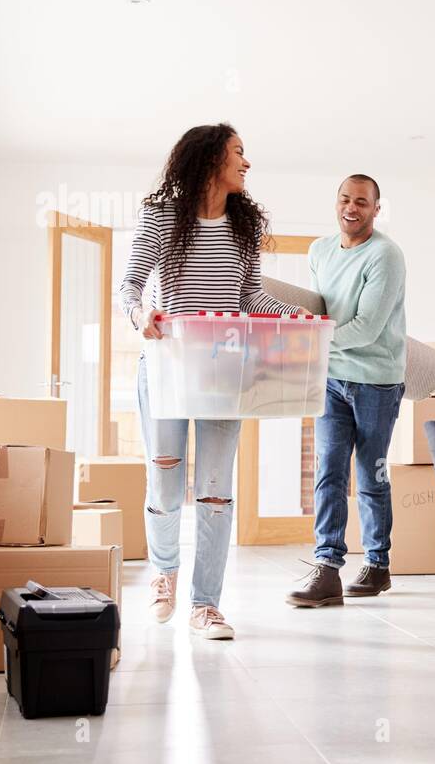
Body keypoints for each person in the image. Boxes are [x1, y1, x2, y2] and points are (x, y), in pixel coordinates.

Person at [119, 122, 305, 640]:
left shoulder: (242, 228)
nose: (246, 163)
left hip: (224, 370)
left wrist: (292, 316)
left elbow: (249, 300)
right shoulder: (161, 217)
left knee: (216, 492)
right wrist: (142, 317)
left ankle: (206, 604)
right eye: (238, 153)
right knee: (165, 478)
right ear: (209, 159)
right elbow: (130, 286)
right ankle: (165, 574)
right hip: (168, 367)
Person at [287, 174, 407, 607]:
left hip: (377, 380)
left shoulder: (386, 256)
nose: (351, 208)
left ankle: (377, 565)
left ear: (376, 208)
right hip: (330, 378)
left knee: (370, 474)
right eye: (344, 199)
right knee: (328, 471)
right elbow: (325, 308)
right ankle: (327, 568)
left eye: (361, 201)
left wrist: (314, 335)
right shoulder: (319, 250)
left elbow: (367, 328)